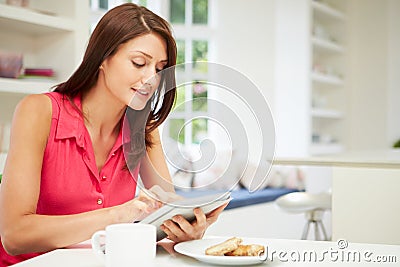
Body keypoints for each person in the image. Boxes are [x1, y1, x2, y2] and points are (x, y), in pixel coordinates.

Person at [0, 3, 227, 266]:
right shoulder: (38, 111)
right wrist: (120, 215)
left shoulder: (143, 131)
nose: (151, 78)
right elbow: (14, 235)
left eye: (158, 68)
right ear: (102, 59)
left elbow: (166, 210)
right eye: (139, 63)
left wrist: (188, 230)